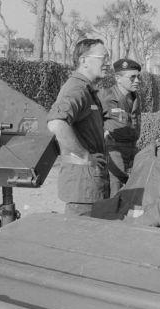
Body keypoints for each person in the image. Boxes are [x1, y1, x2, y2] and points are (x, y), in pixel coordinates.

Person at [47, 39, 111, 216]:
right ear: (84, 60)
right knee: (80, 233)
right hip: (83, 186)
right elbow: (56, 123)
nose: (108, 63)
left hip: (89, 184)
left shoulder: (86, 89)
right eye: (103, 58)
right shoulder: (77, 88)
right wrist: (84, 155)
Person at [98, 58, 142, 196]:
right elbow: (91, 121)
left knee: (134, 189)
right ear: (118, 78)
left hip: (132, 149)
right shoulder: (105, 97)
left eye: (138, 77)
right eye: (132, 77)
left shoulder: (135, 97)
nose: (137, 81)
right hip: (114, 151)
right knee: (115, 190)